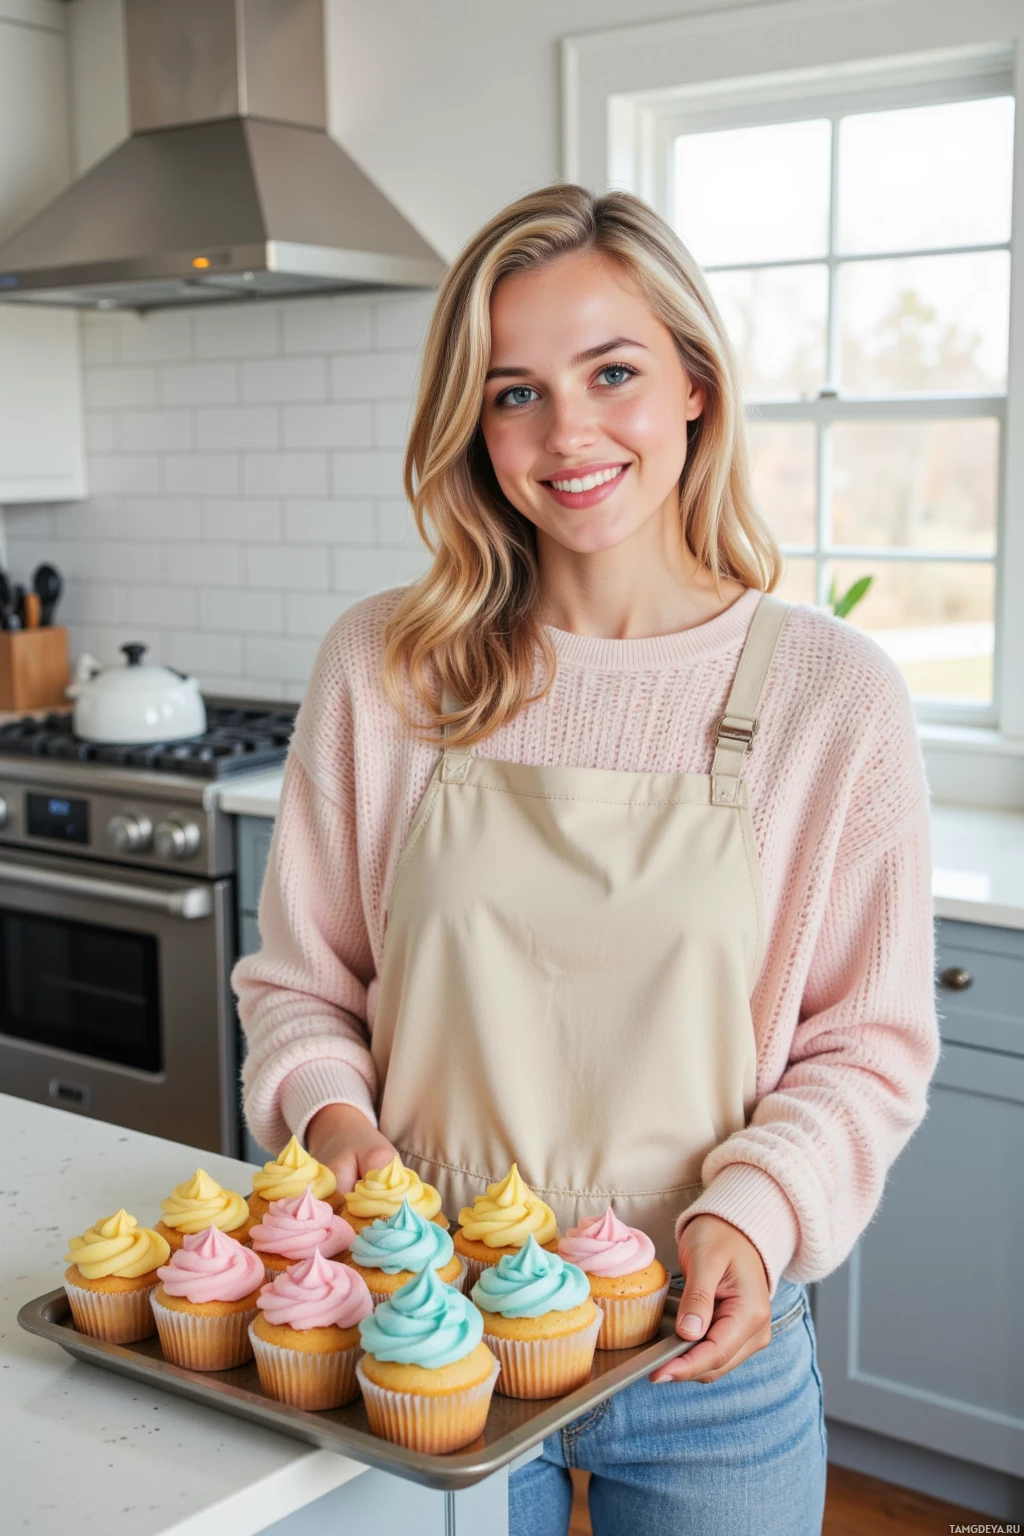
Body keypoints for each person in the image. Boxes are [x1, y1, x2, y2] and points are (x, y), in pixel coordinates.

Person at [233, 183, 940, 1534]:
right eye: (513, 392)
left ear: (692, 384)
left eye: (611, 371)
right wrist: (346, 1137)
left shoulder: (832, 697)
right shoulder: (388, 668)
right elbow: (301, 989)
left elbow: (870, 1045)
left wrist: (758, 1209)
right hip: (417, 1331)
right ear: (470, 423)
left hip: (703, 1353)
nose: (567, 434)